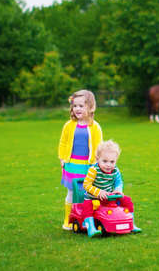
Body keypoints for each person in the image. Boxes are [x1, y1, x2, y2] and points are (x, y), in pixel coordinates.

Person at [58, 90, 103, 230]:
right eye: (75, 106)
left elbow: (98, 146)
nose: (77, 109)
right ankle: (68, 220)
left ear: (90, 107)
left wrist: (98, 162)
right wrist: (62, 158)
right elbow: (63, 143)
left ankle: (87, 219)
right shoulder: (69, 125)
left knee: (88, 193)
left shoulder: (95, 127)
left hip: (88, 166)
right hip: (72, 165)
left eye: (81, 106)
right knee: (72, 192)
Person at [82, 140, 142, 237]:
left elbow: (119, 182)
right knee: (88, 207)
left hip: (109, 197)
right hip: (93, 198)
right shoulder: (94, 170)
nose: (109, 165)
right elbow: (86, 185)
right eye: (105, 161)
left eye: (112, 161)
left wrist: (118, 189)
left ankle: (132, 224)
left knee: (127, 200)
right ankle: (91, 228)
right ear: (98, 159)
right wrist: (99, 192)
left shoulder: (115, 171)